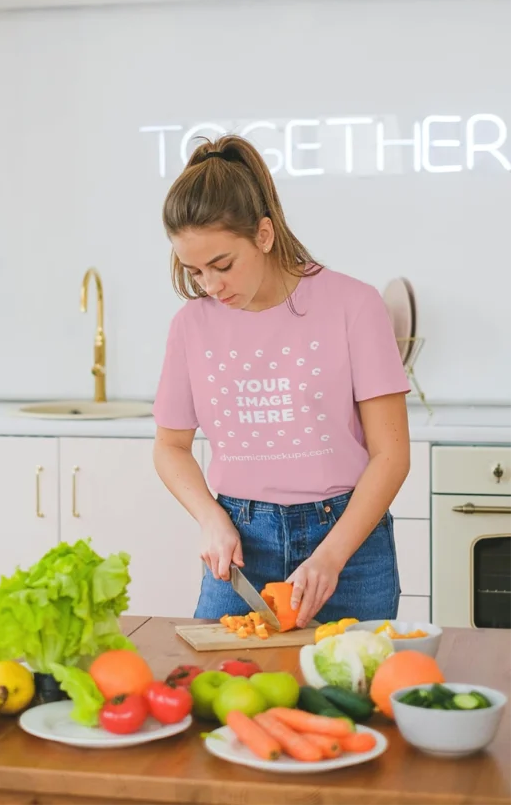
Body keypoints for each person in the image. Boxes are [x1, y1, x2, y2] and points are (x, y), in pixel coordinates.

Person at [152, 134, 410, 628]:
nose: (210, 285)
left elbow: (392, 454)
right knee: (223, 695)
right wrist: (210, 518)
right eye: (195, 270)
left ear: (264, 235)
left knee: (350, 694)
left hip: (349, 543)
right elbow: (171, 446)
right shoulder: (191, 326)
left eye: (222, 265)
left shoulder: (353, 305)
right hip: (242, 545)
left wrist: (331, 557)